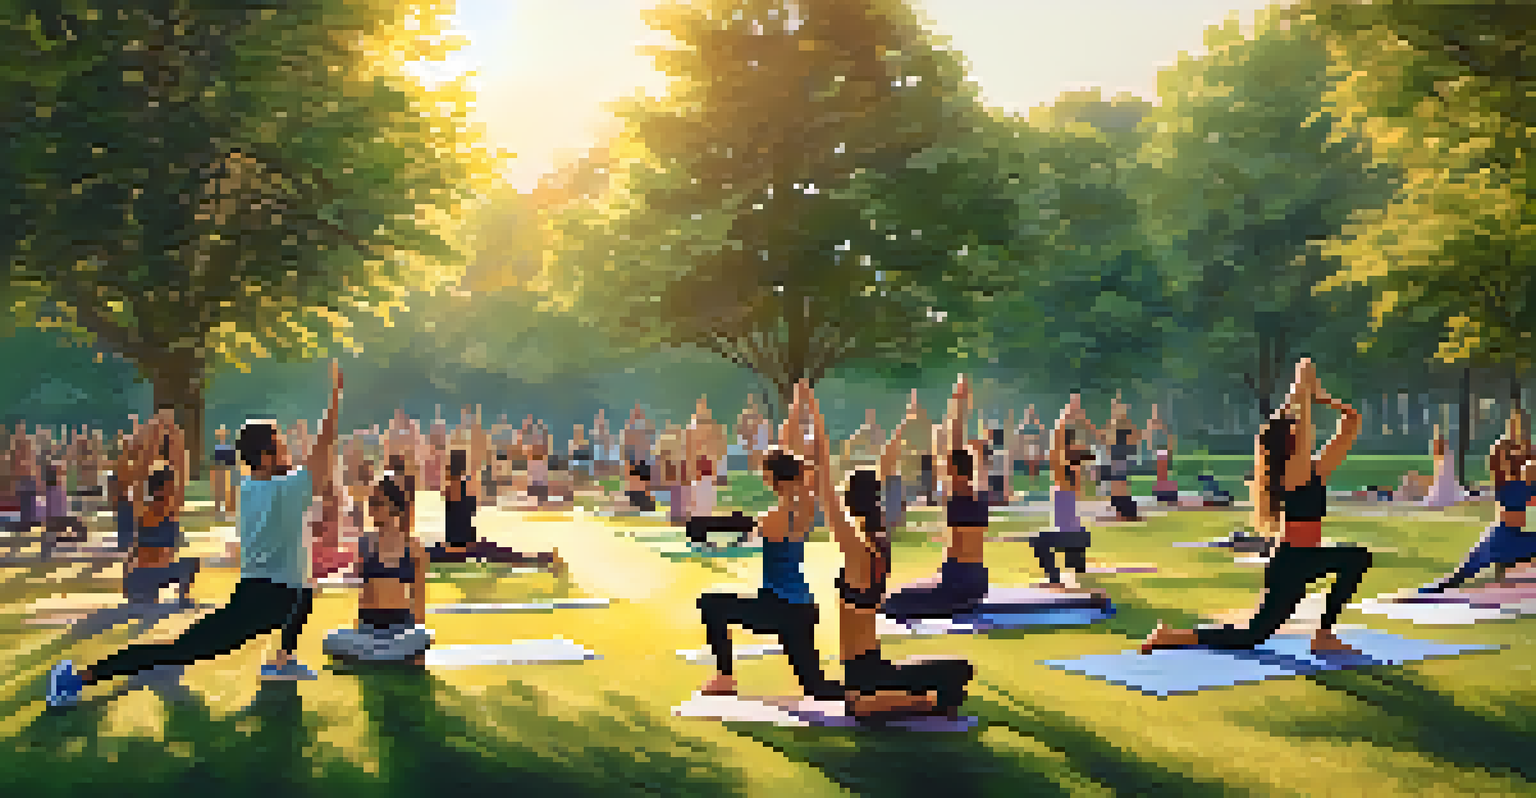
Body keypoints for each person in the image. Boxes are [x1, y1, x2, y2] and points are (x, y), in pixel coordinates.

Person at [47, 360, 345, 708]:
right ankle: (77, 677)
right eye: (281, 446)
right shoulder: (285, 489)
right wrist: (335, 397)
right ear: (265, 457)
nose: (289, 452)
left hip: (269, 593)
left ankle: (281, 661)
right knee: (179, 650)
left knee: (305, 592)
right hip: (264, 598)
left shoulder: (248, 487)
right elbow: (324, 448)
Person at [1142, 358, 1371, 655]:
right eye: (1297, 433)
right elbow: (1303, 425)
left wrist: (1320, 396)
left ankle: (1323, 634)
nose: (1304, 435)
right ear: (1289, 445)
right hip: (1292, 563)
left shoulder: (1315, 470)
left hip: (1304, 559)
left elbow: (1351, 422)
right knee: (1252, 635)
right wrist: (1303, 390)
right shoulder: (1291, 475)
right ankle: (1173, 636)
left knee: (1356, 560)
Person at [806, 384, 973, 719]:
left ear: (851, 503)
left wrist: (816, 423)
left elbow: (825, 487)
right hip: (873, 666)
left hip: (864, 673)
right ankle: (925, 695)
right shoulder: (879, 540)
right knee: (958, 670)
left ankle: (927, 702)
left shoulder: (858, 549)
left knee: (861, 707)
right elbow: (878, 473)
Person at [696, 382, 841, 701]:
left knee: (711, 605)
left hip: (779, 608)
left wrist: (800, 409)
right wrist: (804, 409)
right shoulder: (806, 504)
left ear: (772, 479)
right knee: (819, 688)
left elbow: (791, 455)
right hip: (800, 608)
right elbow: (807, 453)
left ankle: (724, 678)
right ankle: (874, 688)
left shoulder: (774, 516)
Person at [880, 375, 990, 621]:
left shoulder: (956, 493)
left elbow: (954, 440)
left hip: (958, 584)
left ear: (952, 469)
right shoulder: (980, 491)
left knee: (892, 603)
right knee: (906, 594)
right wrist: (960, 405)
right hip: (976, 580)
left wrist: (958, 406)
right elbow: (958, 448)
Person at [323, 473, 433, 664]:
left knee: (422, 638)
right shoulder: (365, 543)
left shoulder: (415, 548)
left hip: (401, 628)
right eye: (371, 503)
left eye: (377, 503)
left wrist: (417, 637)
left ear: (396, 508)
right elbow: (363, 595)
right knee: (330, 640)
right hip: (369, 628)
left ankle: (386, 654)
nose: (371, 509)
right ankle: (384, 654)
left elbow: (419, 597)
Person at [1421, 412, 1536, 592]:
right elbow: (1503, 453)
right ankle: (1502, 570)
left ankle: (1505, 571)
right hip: (1503, 536)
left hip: (1513, 536)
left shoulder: (1524, 474)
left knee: (1470, 572)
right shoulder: (1506, 477)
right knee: (1462, 573)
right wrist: (1516, 437)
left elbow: (1524, 457)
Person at [1034, 407, 1095, 590]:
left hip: (1070, 537)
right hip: (1080, 536)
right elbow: (1063, 449)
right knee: (1068, 541)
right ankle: (1078, 568)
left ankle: (1054, 579)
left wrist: (1064, 416)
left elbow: (1056, 446)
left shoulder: (1063, 475)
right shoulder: (1077, 475)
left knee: (1039, 540)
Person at [212, 425, 238, 519]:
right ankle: (218, 510)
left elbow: (233, 462)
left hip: (229, 471)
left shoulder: (231, 448)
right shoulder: (218, 448)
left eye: (223, 433)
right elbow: (217, 463)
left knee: (231, 489)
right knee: (219, 490)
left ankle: (230, 510)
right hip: (221, 471)